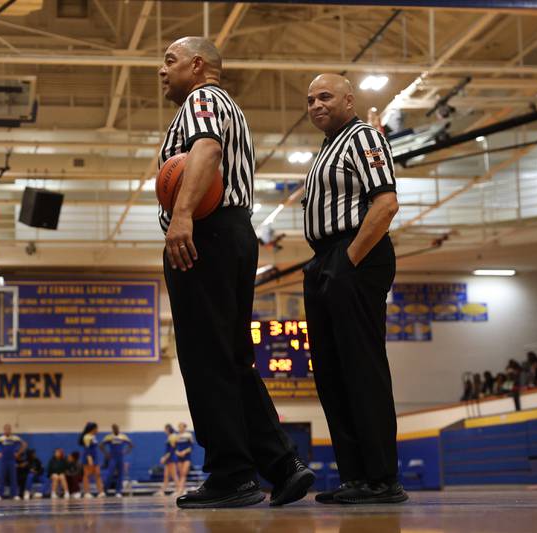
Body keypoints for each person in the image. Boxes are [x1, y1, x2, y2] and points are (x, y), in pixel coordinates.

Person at [156, 36, 313, 508]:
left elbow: (205, 152)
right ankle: (283, 465)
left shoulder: (202, 99)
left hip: (206, 232)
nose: (162, 71)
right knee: (229, 358)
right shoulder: (229, 106)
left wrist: (182, 215)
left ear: (198, 65)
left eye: (170, 61)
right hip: (233, 233)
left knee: (206, 359)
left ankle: (232, 475)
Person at [302, 74, 407, 505]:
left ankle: (382, 479)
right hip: (326, 257)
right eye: (310, 100)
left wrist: (348, 261)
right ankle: (355, 478)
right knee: (332, 375)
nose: (316, 105)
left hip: (357, 254)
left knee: (362, 370)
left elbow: (386, 204)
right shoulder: (326, 149)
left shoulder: (364, 136)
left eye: (325, 96)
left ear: (349, 100)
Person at [0, 424, 27, 500]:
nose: (7, 430)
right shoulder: (0, 438)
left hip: (12, 460)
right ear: (4, 430)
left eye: (9, 429)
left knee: (13, 478)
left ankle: (15, 494)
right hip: (4, 460)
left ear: (10, 430)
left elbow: (24, 444)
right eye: (6, 429)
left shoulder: (15, 438)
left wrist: (18, 453)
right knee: (2, 478)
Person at [100, 424, 133, 498]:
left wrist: (126, 451)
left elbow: (131, 444)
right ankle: (105, 490)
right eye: (114, 428)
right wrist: (106, 453)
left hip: (120, 457)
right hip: (112, 457)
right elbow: (101, 445)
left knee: (120, 474)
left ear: (119, 428)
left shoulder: (123, 436)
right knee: (109, 474)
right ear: (112, 429)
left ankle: (118, 491)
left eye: (117, 428)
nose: (116, 429)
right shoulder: (109, 437)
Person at [79, 422, 105, 498]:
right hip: (88, 457)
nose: (98, 430)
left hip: (95, 457)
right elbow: (87, 449)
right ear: (93, 429)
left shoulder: (93, 437)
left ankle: (101, 492)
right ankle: (87, 492)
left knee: (98, 474)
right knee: (87, 474)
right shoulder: (86, 437)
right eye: (97, 428)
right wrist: (89, 458)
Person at [156, 424, 179, 496]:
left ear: (168, 429)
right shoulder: (169, 437)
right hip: (168, 459)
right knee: (166, 475)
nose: (164, 431)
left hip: (171, 458)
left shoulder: (172, 437)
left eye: (165, 429)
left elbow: (172, 450)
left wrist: (165, 457)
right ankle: (162, 491)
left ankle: (179, 490)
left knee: (174, 475)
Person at [174, 422, 194, 495]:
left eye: (182, 426)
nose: (180, 428)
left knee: (183, 473)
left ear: (184, 427)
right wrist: (177, 452)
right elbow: (174, 447)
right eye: (179, 427)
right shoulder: (176, 436)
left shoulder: (188, 435)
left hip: (186, 456)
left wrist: (184, 452)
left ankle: (180, 490)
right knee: (180, 473)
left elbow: (191, 446)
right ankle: (182, 489)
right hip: (179, 456)